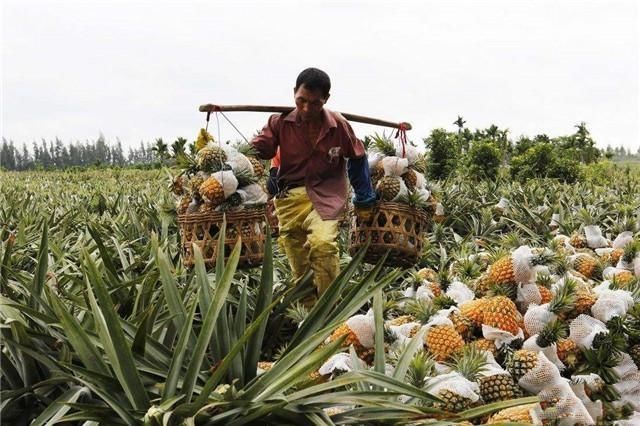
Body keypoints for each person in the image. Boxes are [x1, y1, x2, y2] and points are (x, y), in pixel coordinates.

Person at [251, 67, 376, 304]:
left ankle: (329, 307)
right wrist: (258, 146)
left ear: (326, 100)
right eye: (301, 101)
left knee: (323, 244)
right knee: (299, 262)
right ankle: (309, 314)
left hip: (326, 196)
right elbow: (264, 148)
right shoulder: (279, 122)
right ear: (294, 93)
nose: (307, 109)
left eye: (315, 103)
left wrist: (364, 197)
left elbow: (358, 158)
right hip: (289, 198)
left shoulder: (339, 125)